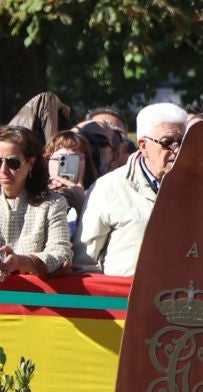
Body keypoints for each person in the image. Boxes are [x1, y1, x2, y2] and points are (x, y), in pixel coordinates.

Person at [76, 101, 186, 277]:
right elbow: (85, 263)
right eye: (168, 142)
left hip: (182, 298)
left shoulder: (202, 190)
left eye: (184, 141)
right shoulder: (108, 188)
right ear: (143, 146)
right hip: (123, 300)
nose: (178, 149)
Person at [0, 126, 72, 280]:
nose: (3, 169)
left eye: (13, 163)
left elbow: (61, 253)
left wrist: (23, 262)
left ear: (30, 163)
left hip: (34, 298)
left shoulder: (53, 203)